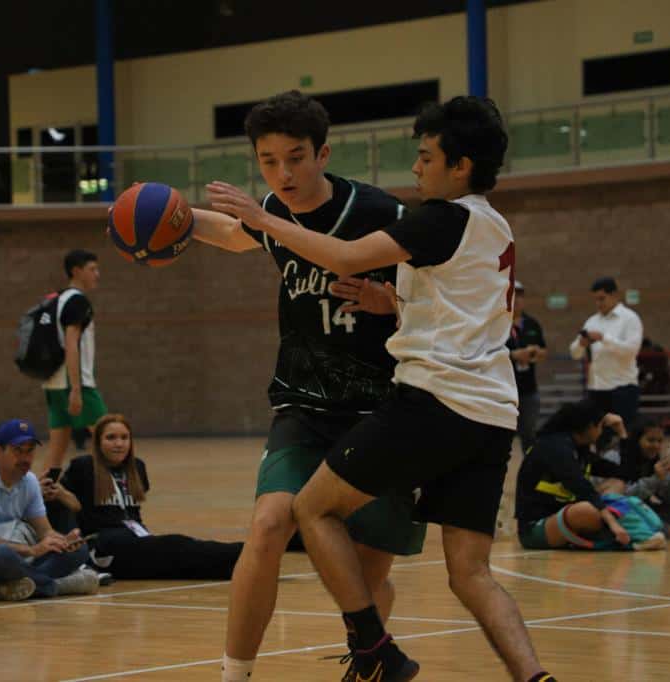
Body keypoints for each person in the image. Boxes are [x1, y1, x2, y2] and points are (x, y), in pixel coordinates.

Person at [210, 96, 555, 682]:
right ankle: (536, 678)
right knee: (471, 574)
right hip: (493, 414)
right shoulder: (494, 227)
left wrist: (262, 219)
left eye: (426, 157)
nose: (416, 168)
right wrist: (390, 301)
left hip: (432, 402)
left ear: (461, 166)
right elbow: (452, 303)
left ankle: (375, 651)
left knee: (310, 508)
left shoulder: (438, 217)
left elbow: (344, 255)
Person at [190, 90, 427, 682]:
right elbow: (239, 234)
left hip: (382, 410)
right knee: (270, 524)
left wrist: (391, 302)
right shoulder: (273, 211)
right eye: (268, 161)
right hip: (304, 405)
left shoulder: (382, 212)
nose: (283, 174)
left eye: (295, 158)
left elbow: (441, 299)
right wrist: (175, 218)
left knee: (367, 579)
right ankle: (234, 675)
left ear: (323, 153)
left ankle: (370, 657)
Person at [47, 413, 245, 580]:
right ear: (98, 442)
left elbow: (134, 514)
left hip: (138, 539)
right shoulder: (84, 467)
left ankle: (243, 570)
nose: (119, 444)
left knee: (183, 565)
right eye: (111, 438)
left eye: (124, 438)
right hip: (106, 547)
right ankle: (243, 551)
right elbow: (65, 503)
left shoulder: (137, 467)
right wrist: (60, 498)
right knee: (176, 544)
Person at [0, 418, 100, 601]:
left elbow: (45, 532)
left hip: (17, 558)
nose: (25, 458)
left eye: (30, 450)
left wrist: (62, 541)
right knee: (3, 554)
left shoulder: (29, 481)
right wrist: (31, 550)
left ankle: (10, 588)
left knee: (78, 550)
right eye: (18, 450)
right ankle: (57, 586)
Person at [515, 400, 656, 551]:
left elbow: (625, 473)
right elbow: (580, 487)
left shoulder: (580, 450)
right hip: (537, 528)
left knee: (617, 484)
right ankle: (632, 538)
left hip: (566, 516)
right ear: (589, 427)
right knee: (586, 511)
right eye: (600, 426)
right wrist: (611, 521)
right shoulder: (554, 447)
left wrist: (622, 433)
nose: (602, 431)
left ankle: (627, 533)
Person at [593, 416, 670, 539]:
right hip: (611, 511)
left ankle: (655, 528)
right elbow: (622, 498)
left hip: (643, 509)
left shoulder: (655, 461)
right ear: (637, 440)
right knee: (635, 512)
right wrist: (655, 479)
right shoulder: (615, 457)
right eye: (651, 440)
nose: (656, 445)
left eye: (660, 441)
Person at [41, 249, 107, 478]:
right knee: (111, 438)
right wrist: (77, 389)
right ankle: (121, 492)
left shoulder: (56, 299)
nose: (97, 274)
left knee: (55, 454)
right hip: (75, 382)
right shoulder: (78, 301)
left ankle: (39, 495)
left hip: (53, 382)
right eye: (92, 269)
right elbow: (71, 344)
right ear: (76, 271)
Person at [569, 277, 643, 427]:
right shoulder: (592, 321)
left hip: (623, 389)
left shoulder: (630, 319)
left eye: (602, 298)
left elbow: (631, 351)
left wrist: (603, 338)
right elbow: (575, 354)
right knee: (598, 436)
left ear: (614, 295)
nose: (598, 303)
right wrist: (581, 344)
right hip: (597, 389)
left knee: (623, 434)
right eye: (595, 299)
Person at [507, 280, 547, 451]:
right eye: (513, 295)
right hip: (506, 390)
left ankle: (529, 465)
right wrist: (513, 355)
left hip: (529, 390)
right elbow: (489, 352)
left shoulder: (532, 324)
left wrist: (536, 353)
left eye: (520, 295)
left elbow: (544, 351)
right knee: (504, 436)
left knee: (529, 434)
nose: (517, 299)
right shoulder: (498, 324)